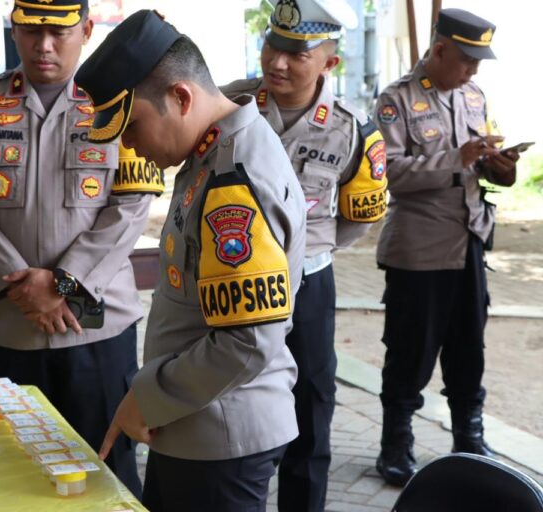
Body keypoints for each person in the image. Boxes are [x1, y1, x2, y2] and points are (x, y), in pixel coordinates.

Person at [75, 10, 307, 511]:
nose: (127, 144)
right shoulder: (211, 152)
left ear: (181, 98)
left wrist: (149, 395)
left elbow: (247, 340)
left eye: (131, 125)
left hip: (220, 435)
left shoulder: (233, 179)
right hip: (198, 423)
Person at [0, 0, 161, 497]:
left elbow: (130, 207)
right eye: (31, 31)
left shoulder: (117, 106)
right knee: (20, 473)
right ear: (14, 30)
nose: (44, 45)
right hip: (14, 324)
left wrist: (60, 285)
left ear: (84, 29)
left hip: (96, 327)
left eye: (58, 32)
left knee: (107, 469)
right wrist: (25, 288)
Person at [221, 0, 388, 509]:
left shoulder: (353, 129)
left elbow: (363, 213)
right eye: (273, 45)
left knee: (311, 407)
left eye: (296, 52)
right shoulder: (231, 105)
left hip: (309, 286)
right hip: (234, 281)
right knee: (227, 396)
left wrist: (311, 251)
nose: (278, 62)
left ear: (328, 63)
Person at [373, 8, 519, 487]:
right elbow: (389, 173)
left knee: (467, 348)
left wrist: (496, 163)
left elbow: (477, 163)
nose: (474, 70)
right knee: (410, 351)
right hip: (419, 250)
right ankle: (395, 444)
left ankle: (468, 439)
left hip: (469, 242)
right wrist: (457, 160)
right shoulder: (396, 100)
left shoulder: (473, 95)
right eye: (467, 59)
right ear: (439, 50)